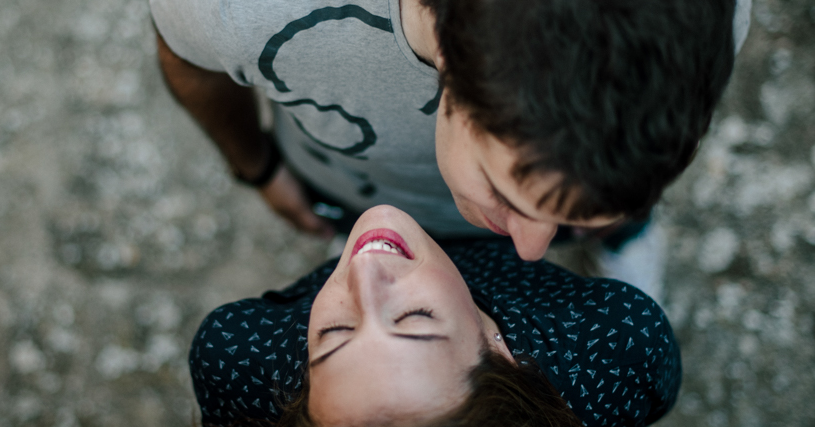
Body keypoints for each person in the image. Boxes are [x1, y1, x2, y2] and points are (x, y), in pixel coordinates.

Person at [189, 205, 682, 427]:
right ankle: (620, 240)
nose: (364, 274)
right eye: (415, 319)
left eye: (334, 334)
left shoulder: (240, 360)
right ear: (504, 354)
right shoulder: (611, 344)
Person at [151, 0, 750, 267]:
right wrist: (256, 166)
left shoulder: (713, 16)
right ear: (449, 63)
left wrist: (612, 209)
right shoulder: (237, 10)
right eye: (505, 192)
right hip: (349, 182)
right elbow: (188, 62)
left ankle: (621, 234)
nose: (530, 250)